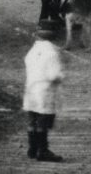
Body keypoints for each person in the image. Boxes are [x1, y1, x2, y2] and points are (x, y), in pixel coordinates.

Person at [23, 22, 65, 162]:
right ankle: (43, 150)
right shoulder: (52, 53)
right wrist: (61, 76)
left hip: (31, 91)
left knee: (32, 120)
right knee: (42, 123)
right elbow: (54, 75)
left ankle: (32, 148)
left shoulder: (33, 51)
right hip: (45, 92)